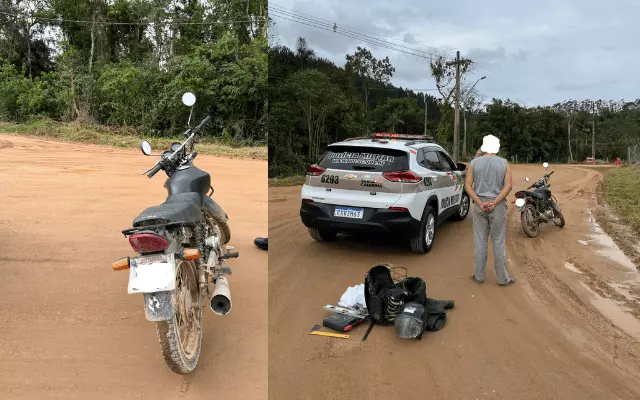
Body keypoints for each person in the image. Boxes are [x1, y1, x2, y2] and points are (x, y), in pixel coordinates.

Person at [464, 135, 515, 286]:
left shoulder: (474, 163)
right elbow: (508, 186)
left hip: (479, 207)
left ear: (484, 146)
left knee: (480, 241)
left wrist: (479, 203)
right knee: (498, 242)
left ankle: (479, 276)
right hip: (497, 207)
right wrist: (494, 202)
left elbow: (467, 185)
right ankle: (502, 279)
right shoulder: (504, 163)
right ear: (497, 147)